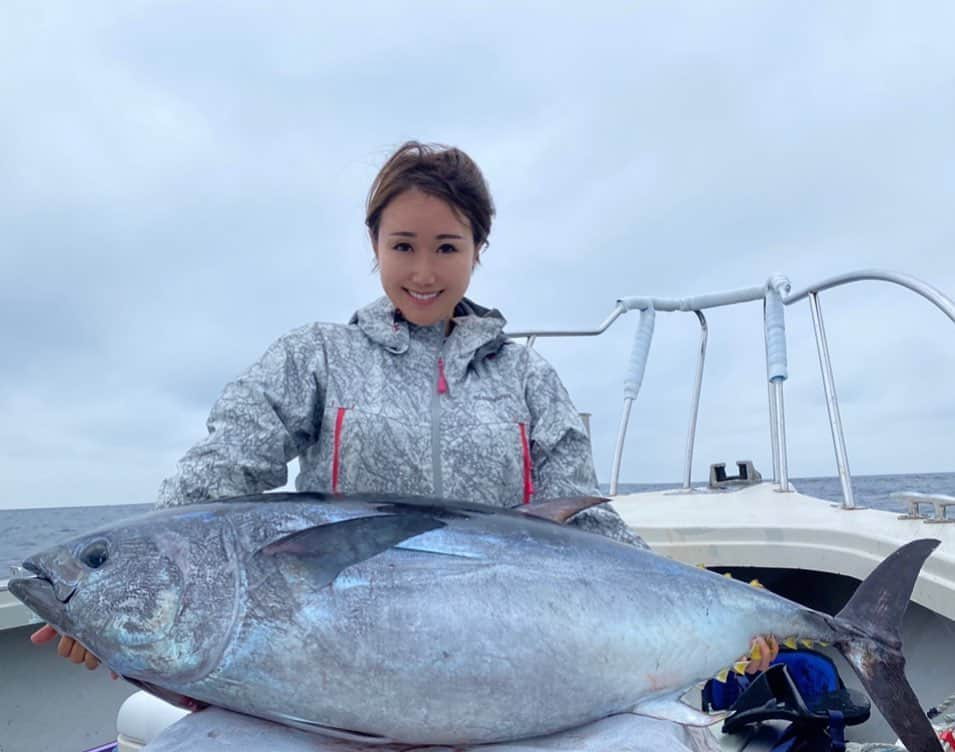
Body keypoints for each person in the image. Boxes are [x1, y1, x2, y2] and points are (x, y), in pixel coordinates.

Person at [33, 139, 776, 674]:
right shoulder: (315, 355)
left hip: (509, 656)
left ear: (478, 250)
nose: (423, 272)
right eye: (403, 245)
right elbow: (216, 476)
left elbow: (590, 527)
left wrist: (718, 617)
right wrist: (111, 596)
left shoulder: (528, 378)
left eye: (447, 247)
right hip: (333, 661)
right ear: (373, 244)